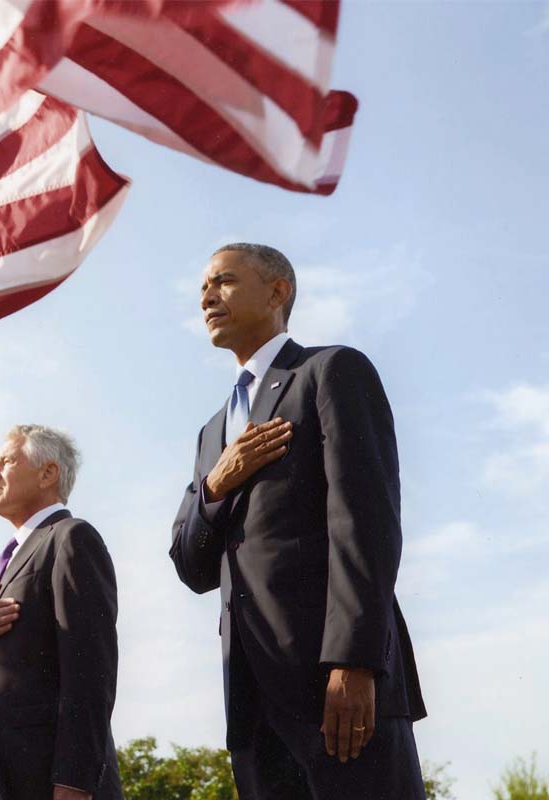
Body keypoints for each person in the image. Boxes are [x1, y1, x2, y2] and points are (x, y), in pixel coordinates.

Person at [170, 243, 427, 799]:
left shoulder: (330, 371)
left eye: (224, 281)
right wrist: (216, 483)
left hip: (336, 689)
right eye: (202, 289)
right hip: (252, 701)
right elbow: (191, 566)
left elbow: (366, 525)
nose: (207, 297)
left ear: (278, 290)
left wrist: (355, 662)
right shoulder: (213, 433)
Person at [0, 425, 123, 800]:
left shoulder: (70, 538)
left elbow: (91, 673)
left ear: (48, 473)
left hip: (55, 783)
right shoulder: (12, 556)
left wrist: (75, 781)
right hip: (9, 777)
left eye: (6, 461)